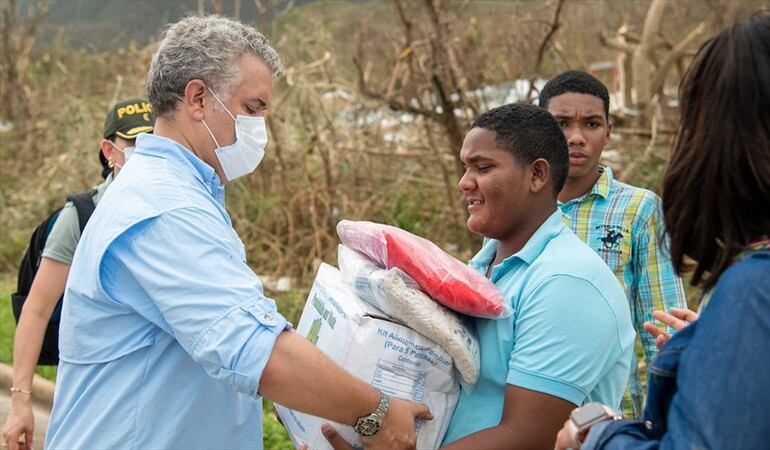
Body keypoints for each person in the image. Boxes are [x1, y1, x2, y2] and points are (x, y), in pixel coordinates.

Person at [38, 15, 429, 450]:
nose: (259, 127)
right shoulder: (164, 206)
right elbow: (254, 350)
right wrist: (377, 413)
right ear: (199, 99)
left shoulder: (178, 192)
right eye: (253, 108)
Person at [324, 103, 635, 450]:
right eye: (465, 168)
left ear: (537, 175)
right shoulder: (480, 271)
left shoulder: (569, 282)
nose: (464, 183)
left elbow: (530, 437)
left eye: (482, 168)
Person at [555, 12, 770, 449]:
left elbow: (658, 317)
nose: (576, 138)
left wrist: (601, 438)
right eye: (561, 124)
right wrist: (710, 340)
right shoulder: (518, 213)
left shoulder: (751, 288)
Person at [2, 98, 154, 450]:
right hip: (93, 400)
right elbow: (37, 309)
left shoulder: (176, 210)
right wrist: (21, 402)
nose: (144, 152)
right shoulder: (80, 218)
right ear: (109, 151)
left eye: (153, 140)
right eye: (133, 143)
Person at [538, 70, 687, 418]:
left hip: (610, 414)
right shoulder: (517, 206)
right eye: (561, 124)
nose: (576, 137)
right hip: (528, 413)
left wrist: (663, 420)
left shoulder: (639, 210)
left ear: (608, 132)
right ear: (541, 132)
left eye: (591, 124)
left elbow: (662, 327)